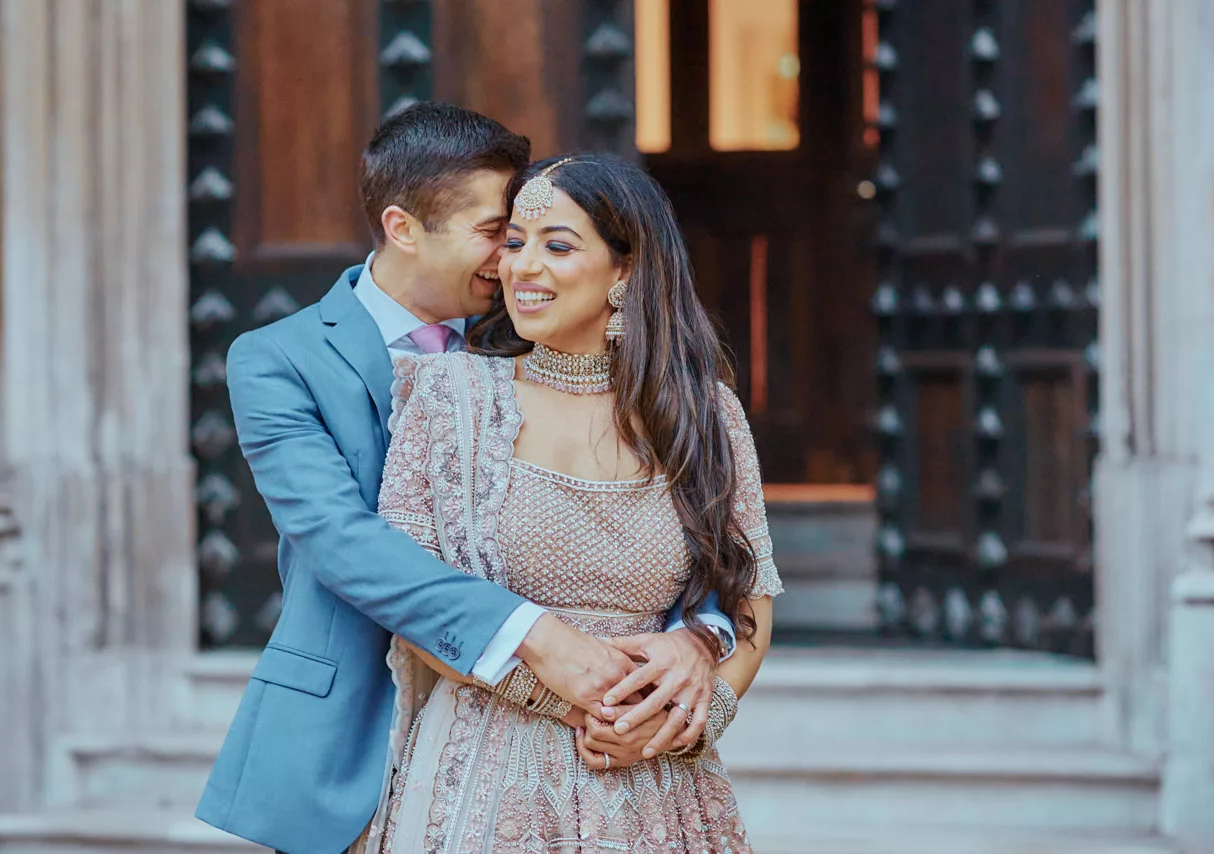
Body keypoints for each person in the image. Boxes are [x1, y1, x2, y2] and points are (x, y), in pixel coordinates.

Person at [195, 104, 735, 854]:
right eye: (496, 233)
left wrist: (698, 638)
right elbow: (338, 538)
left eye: (526, 235)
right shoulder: (278, 359)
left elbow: (660, 508)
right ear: (403, 227)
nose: (513, 261)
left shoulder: (539, 331)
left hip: (548, 747)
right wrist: (534, 636)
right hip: (352, 736)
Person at [354, 154, 782, 854]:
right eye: (514, 244)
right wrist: (584, 706)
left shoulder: (704, 414)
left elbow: (750, 601)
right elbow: (417, 603)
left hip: (656, 785)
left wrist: (697, 694)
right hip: (484, 782)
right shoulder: (449, 399)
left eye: (557, 246)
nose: (523, 268)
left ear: (626, 271)